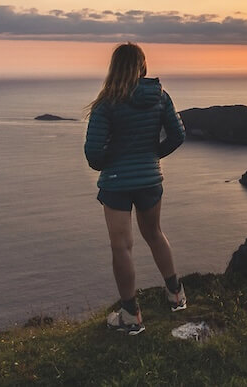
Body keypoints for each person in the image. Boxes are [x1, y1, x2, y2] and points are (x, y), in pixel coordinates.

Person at [84, 42, 187, 335]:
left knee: (122, 246)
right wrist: (152, 156)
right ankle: (176, 295)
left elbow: (93, 153)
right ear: (142, 65)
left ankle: (131, 315)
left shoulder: (106, 104)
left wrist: (110, 162)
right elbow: (178, 135)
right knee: (154, 234)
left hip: (117, 183)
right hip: (150, 179)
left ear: (114, 67)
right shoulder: (160, 97)